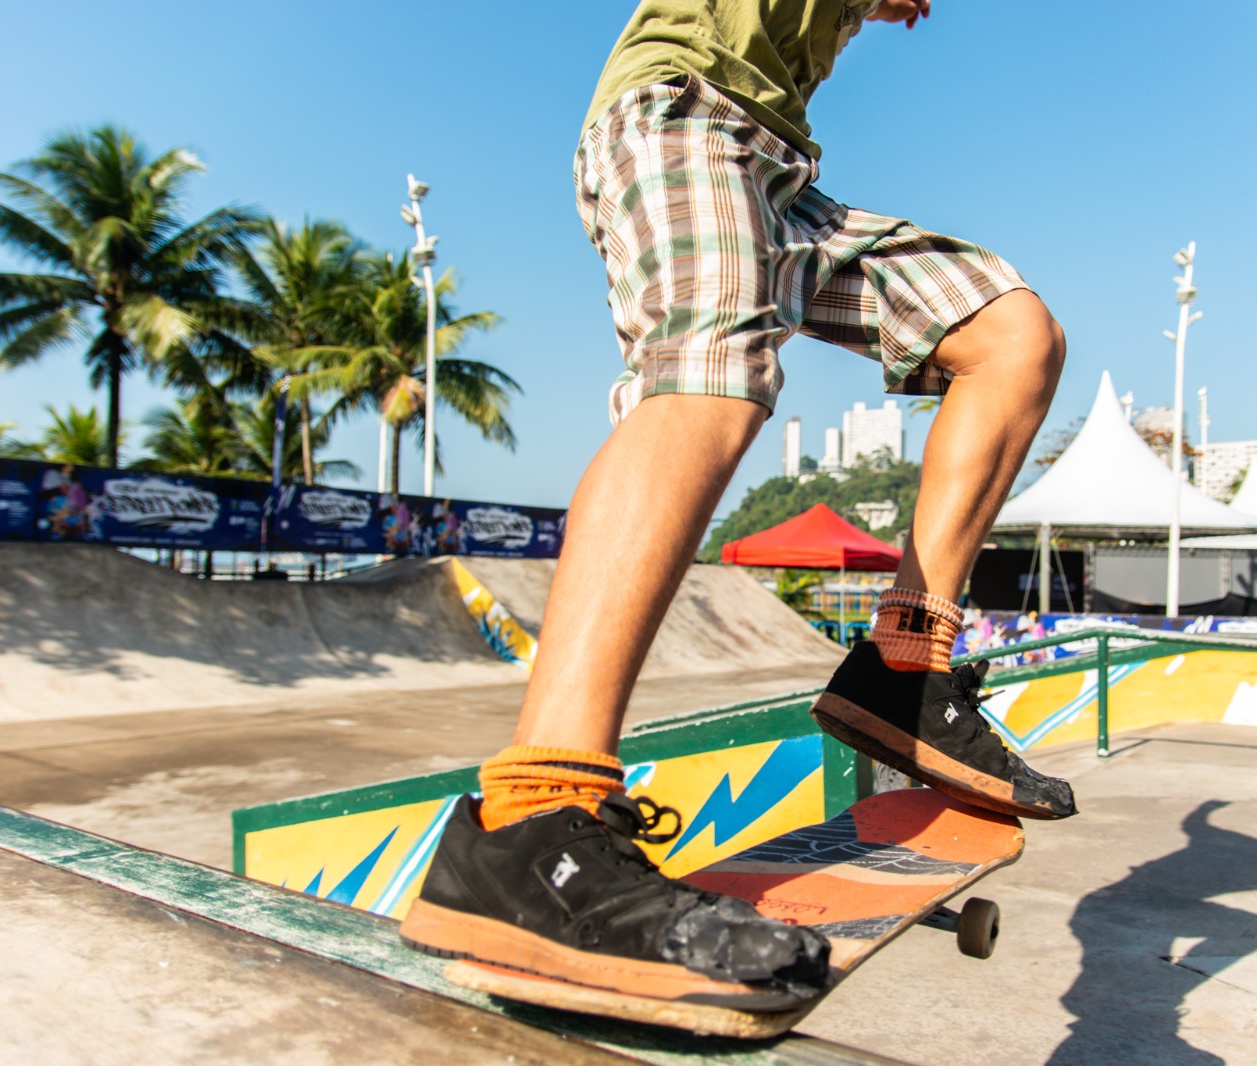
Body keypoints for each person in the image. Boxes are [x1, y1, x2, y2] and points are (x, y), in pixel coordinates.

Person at [400, 0, 1076, 1009]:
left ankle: (903, 667)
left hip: (781, 179)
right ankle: (532, 817)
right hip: (673, 116)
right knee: (710, 372)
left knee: (1012, 338)